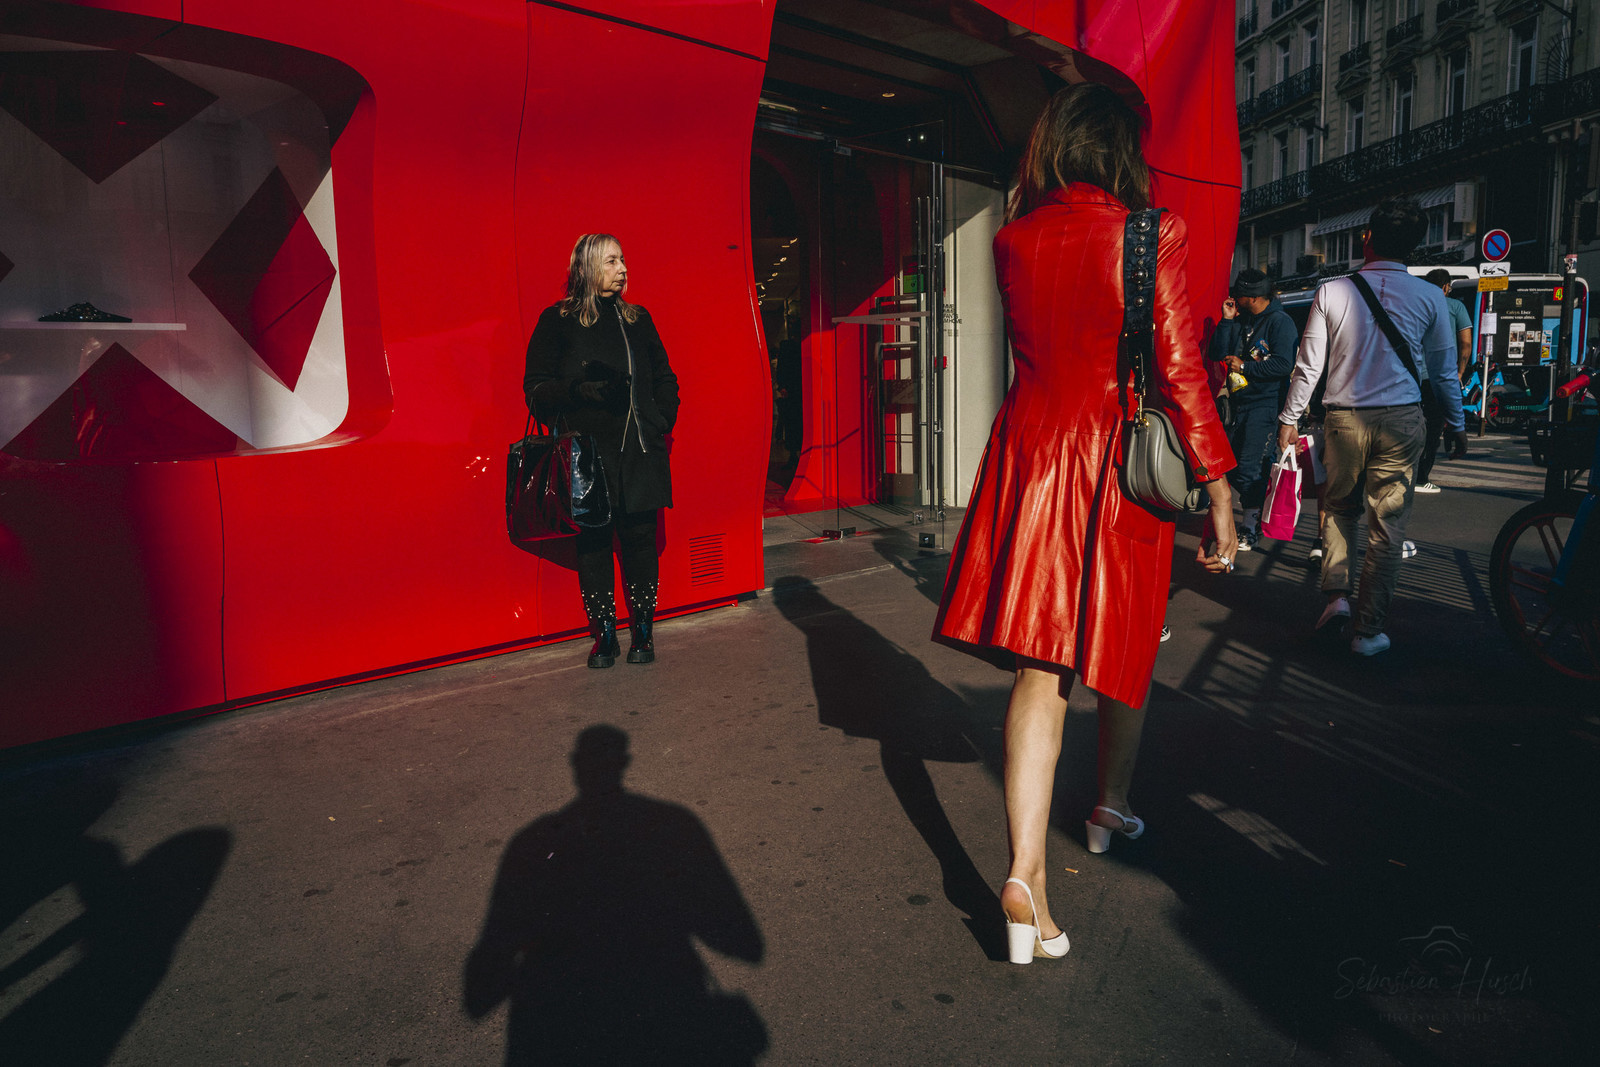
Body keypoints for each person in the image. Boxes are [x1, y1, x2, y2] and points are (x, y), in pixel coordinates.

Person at [932, 84, 1237, 965]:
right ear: (1120, 151)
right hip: (1113, 468)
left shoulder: (1011, 238)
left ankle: (1025, 871)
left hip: (1029, 457)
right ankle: (1111, 804)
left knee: (1041, 666)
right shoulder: (1152, 234)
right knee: (1126, 638)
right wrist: (1218, 487)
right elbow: (1181, 371)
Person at [1276, 198, 1467, 656]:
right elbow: (1442, 372)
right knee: (1388, 525)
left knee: (1338, 510)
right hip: (1403, 420)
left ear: (1366, 238)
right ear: (1415, 245)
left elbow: (1308, 367)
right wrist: (1458, 422)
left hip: (1343, 418)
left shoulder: (1332, 290)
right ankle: (1368, 630)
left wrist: (1288, 418)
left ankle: (1336, 599)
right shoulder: (1429, 297)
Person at [524, 234, 679, 667]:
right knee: (592, 544)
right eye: (612, 261)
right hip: (588, 456)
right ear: (588, 267)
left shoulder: (638, 318)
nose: (623, 269)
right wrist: (579, 390)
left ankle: (643, 634)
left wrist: (660, 420)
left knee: (641, 541)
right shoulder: (557, 320)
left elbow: (666, 378)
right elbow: (534, 388)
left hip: (640, 451)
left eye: (624, 260)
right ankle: (605, 636)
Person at [1209, 269, 1298, 548]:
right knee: (1231, 466)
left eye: (1240, 295)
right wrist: (1226, 321)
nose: (1234, 297)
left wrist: (1246, 366)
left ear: (1255, 297)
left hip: (1265, 404)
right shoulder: (1241, 319)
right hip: (1237, 403)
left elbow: (1284, 365)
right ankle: (1252, 516)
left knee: (1251, 467)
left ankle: (1250, 525)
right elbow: (1216, 353)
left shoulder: (1280, 322)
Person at [1413, 268, 1473, 494]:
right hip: (1438, 378)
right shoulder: (1456, 307)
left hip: (1411, 378)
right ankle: (1421, 478)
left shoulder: (1415, 305)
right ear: (1447, 287)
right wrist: (1460, 372)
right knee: (1433, 428)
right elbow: (1465, 344)